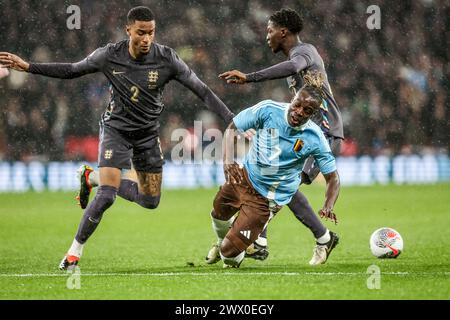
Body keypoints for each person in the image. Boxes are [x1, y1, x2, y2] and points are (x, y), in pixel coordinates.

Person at [0, 6, 234, 270]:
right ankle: (73, 253)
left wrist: (231, 119)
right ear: (128, 30)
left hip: (147, 134)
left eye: (151, 33)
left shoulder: (167, 58)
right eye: (141, 33)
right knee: (108, 196)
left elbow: (202, 90)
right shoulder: (110, 55)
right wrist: (29, 66)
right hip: (116, 131)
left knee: (150, 200)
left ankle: (93, 177)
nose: (146, 39)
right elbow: (72, 70)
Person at [217, 8, 343, 264]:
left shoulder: (304, 52)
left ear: (283, 31)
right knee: (283, 180)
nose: (267, 36)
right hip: (304, 129)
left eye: (270, 30)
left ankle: (259, 238)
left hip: (324, 131)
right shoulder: (299, 62)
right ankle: (323, 238)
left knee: (287, 181)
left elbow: (293, 67)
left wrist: (249, 78)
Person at [207, 71, 340, 268]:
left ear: (313, 114)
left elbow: (333, 178)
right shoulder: (268, 109)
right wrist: (228, 161)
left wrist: (328, 205)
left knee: (229, 256)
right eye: (297, 105)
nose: (299, 112)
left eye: (307, 110)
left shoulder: (315, 137)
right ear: (292, 99)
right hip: (244, 177)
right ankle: (228, 240)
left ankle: (241, 244)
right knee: (217, 214)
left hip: (267, 198)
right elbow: (233, 127)